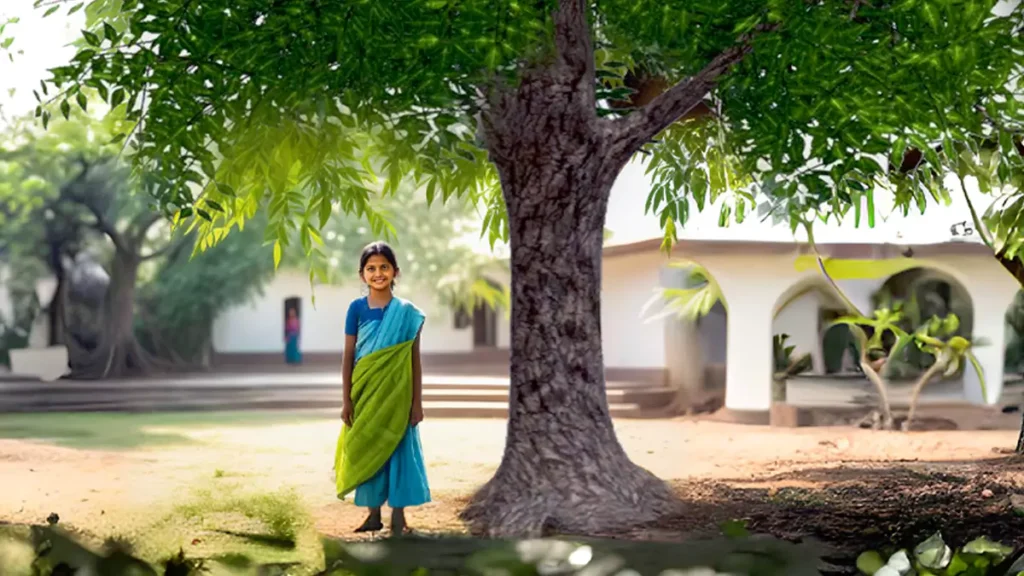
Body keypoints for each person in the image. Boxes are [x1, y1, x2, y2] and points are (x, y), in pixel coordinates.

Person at [333, 241, 430, 535]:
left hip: (398, 393)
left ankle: (398, 516)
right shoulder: (356, 309)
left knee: (399, 448)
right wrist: (346, 400)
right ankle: (373, 514)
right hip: (364, 391)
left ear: (395, 271)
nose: (378, 273)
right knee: (367, 444)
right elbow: (348, 356)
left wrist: (417, 402)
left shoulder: (407, 313)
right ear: (362, 275)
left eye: (384, 267)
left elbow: (413, 359)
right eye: (371, 268)